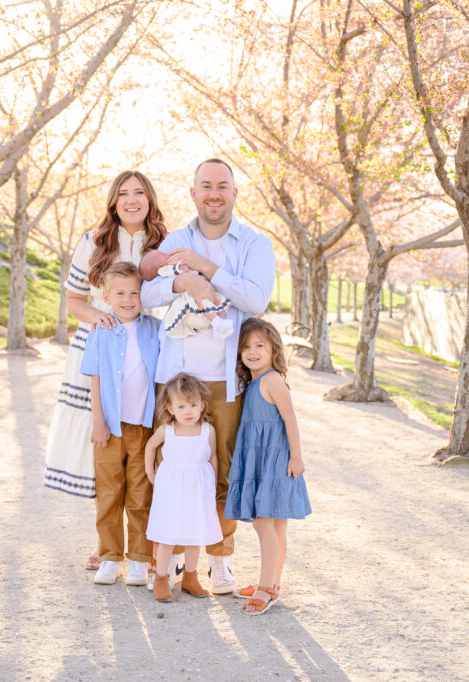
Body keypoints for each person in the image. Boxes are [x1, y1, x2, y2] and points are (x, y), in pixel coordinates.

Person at [141, 158, 275, 594]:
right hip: (176, 378)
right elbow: (147, 292)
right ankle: (174, 559)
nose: (214, 194)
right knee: (174, 468)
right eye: (205, 186)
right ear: (193, 193)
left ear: (234, 193)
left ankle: (219, 560)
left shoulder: (254, 243)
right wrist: (183, 283)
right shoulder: (175, 241)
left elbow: (256, 299)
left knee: (222, 471)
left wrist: (206, 267)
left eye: (222, 186)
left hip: (226, 378)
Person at [42, 171, 167, 571]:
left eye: (139, 193)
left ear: (149, 199)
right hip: (99, 344)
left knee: (146, 445)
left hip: (147, 346)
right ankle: (106, 544)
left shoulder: (164, 242)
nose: (132, 200)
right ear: (113, 201)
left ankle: (149, 546)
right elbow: (75, 300)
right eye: (123, 193)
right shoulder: (93, 241)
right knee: (105, 445)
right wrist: (99, 317)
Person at [80, 262, 161, 586]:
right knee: (109, 493)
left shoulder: (155, 329)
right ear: (106, 297)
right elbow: (96, 379)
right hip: (110, 428)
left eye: (134, 293)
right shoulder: (100, 331)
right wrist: (98, 423)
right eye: (120, 293)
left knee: (141, 495)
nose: (128, 299)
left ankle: (139, 560)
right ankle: (109, 558)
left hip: (143, 428)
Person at [224, 317, 311, 615]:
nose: (252, 351)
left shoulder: (272, 380)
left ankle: (265, 587)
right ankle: (272, 584)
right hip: (261, 460)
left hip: (275, 461)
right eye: (246, 347)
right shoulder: (252, 384)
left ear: (274, 349)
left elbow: (290, 419)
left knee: (264, 524)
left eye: (260, 345)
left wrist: (296, 457)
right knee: (276, 526)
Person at [144, 373, 223, 602]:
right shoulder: (167, 430)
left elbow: (213, 457)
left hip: (198, 489)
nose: (188, 411)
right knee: (167, 535)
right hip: (171, 489)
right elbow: (150, 447)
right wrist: (151, 472)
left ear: (202, 405)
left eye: (193, 405)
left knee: (194, 535)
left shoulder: (207, 430)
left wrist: (212, 484)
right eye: (181, 406)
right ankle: (161, 578)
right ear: (170, 408)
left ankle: (190, 577)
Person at [139, 249, 233, 340]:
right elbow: (182, 269)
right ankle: (216, 322)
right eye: (163, 254)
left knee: (216, 300)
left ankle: (222, 322)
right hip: (192, 294)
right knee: (205, 302)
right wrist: (182, 266)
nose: (168, 254)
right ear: (160, 266)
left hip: (202, 286)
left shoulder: (167, 263)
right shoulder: (164, 270)